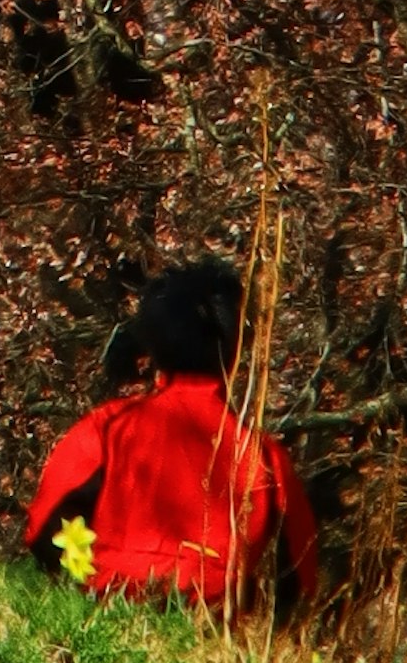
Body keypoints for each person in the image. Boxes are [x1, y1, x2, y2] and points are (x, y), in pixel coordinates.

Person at [25, 257, 318, 614]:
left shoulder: (107, 429)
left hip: (102, 614)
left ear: (154, 344)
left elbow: (44, 530)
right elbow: (300, 578)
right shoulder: (263, 455)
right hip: (210, 635)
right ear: (233, 351)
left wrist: (88, 585)